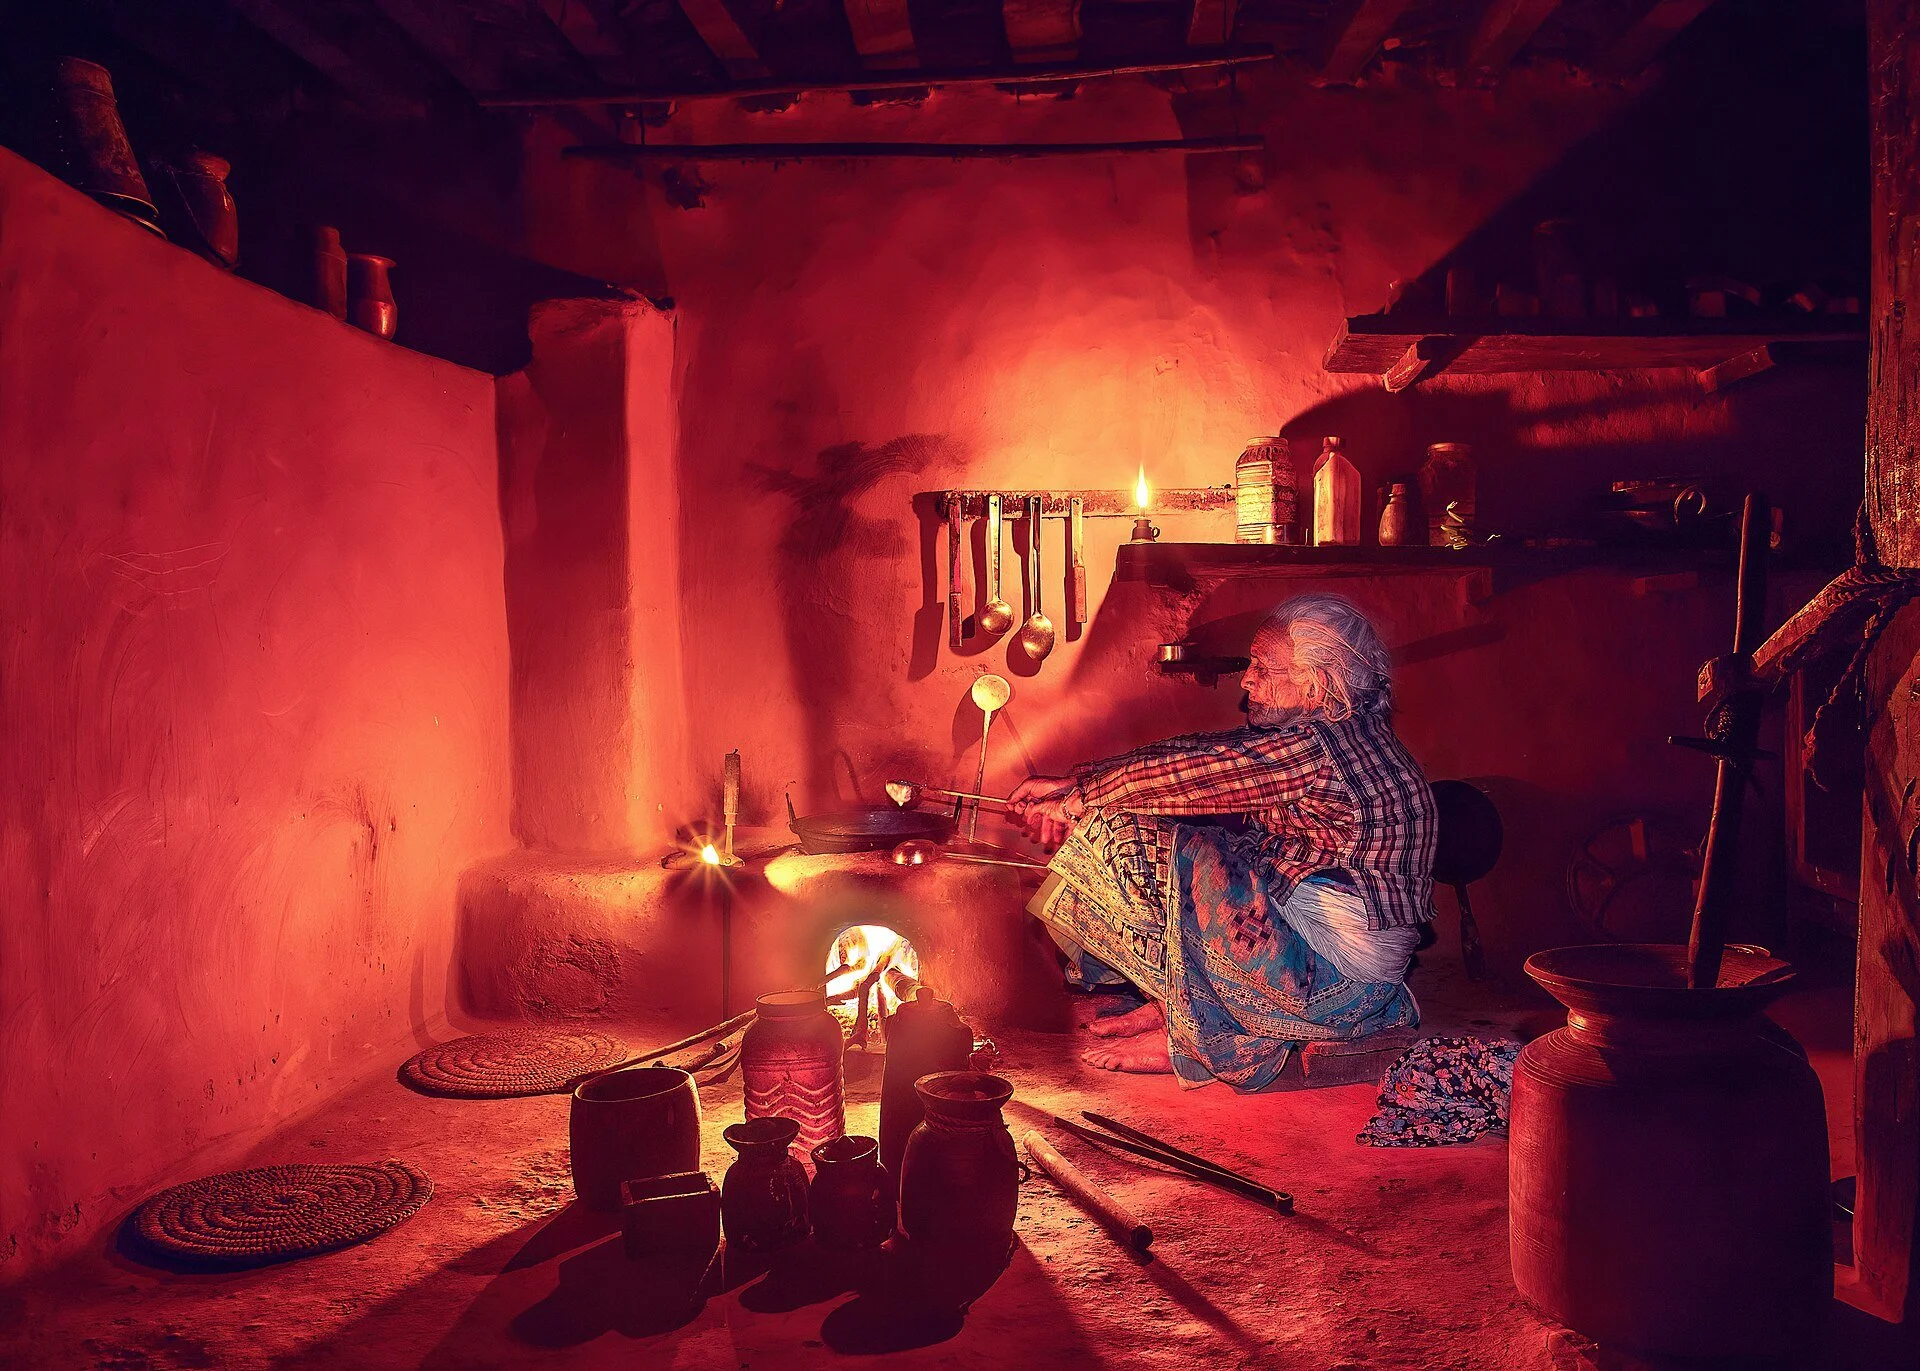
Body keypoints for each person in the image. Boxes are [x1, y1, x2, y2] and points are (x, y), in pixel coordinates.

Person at [1011, 592, 1436, 1089]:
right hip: (1335, 973)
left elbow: (1196, 774)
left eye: (1263, 667)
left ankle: (1197, 1039)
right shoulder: (1341, 734)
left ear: (1315, 685)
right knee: (1158, 833)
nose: (1246, 679)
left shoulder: (1314, 750)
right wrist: (1079, 782)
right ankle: (1177, 1007)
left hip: (1335, 986)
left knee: (1156, 844)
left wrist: (1081, 798)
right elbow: (1206, 752)